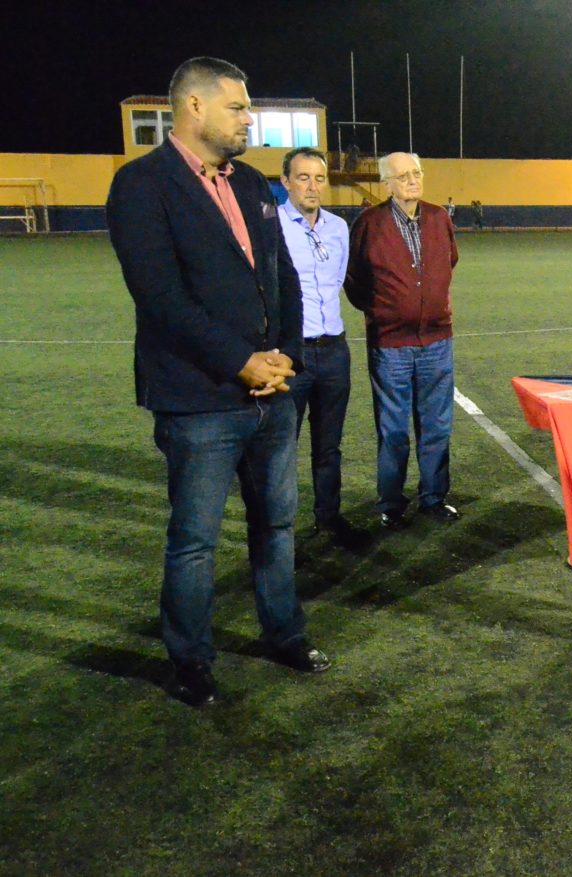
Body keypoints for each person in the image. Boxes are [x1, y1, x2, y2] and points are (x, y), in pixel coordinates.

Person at [106, 57, 330, 707]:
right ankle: (191, 660)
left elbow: (283, 276)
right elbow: (161, 298)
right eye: (237, 107)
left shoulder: (254, 184)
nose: (248, 119)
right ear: (194, 107)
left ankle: (285, 632)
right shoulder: (142, 184)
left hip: (272, 394)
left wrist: (286, 356)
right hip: (199, 399)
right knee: (195, 542)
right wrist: (242, 361)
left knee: (277, 525)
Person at [345, 152, 461, 529]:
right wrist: (383, 311)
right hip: (390, 344)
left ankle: (434, 498)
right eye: (403, 176)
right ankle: (391, 503)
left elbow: (450, 261)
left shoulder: (439, 218)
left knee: (436, 426)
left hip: (437, 341)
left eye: (416, 173)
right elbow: (354, 278)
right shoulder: (369, 223)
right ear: (386, 184)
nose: (413, 181)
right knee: (393, 430)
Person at [277, 147, 369, 549]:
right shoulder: (272, 226)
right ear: (286, 182)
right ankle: (278, 532)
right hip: (291, 354)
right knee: (281, 448)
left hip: (334, 350)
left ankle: (328, 520)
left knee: (329, 446)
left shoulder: (338, 227)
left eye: (319, 178)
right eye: (303, 177)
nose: (312, 186)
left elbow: (341, 280)